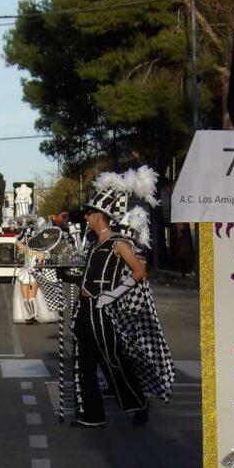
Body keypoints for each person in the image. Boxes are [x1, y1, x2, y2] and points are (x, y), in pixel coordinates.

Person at [67, 166, 174, 428]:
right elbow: (86, 276)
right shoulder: (94, 245)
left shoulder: (118, 243)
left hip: (104, 310)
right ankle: (91, 415)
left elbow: (139, 271)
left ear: (100, 217)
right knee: (83, 362)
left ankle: (140, 403)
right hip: (85, 308)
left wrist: (112, 295)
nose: (87, 218)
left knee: (113, 360)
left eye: (90, 214)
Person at [12, 221, 59, 324]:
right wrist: (22, 236)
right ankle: (30, 316)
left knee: (31, 296)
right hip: (24, 273)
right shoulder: (27, 249)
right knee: (25, 297)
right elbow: (18, 243)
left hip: (34, 274)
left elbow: (41, 261)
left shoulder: (40, 251)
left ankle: (34, 316)